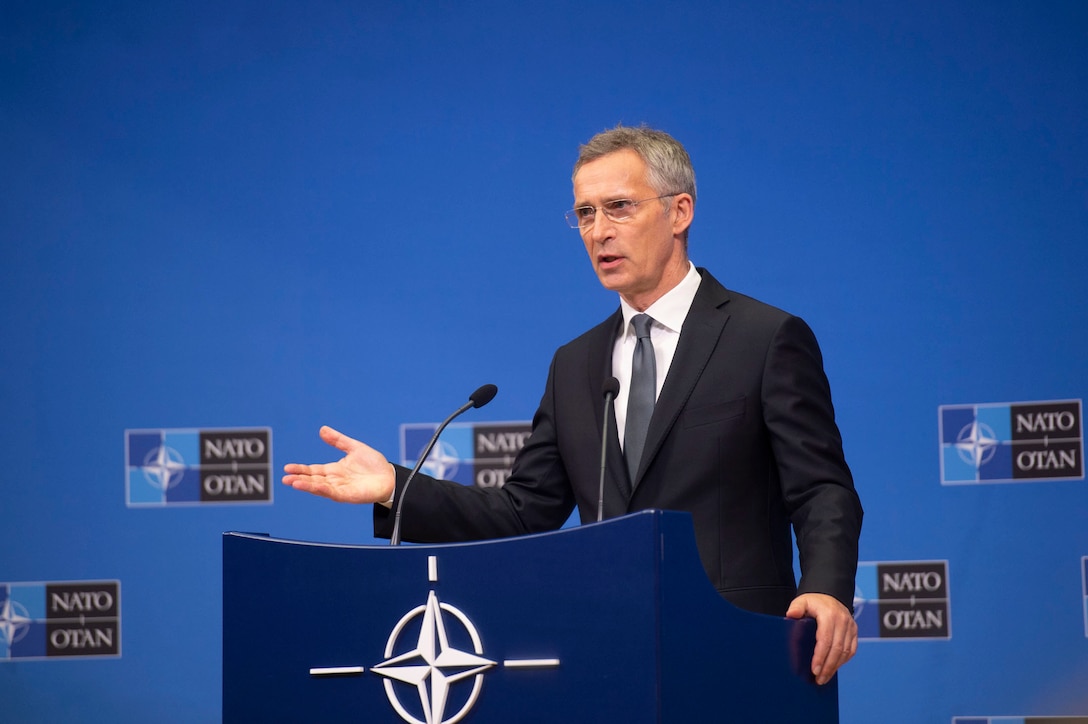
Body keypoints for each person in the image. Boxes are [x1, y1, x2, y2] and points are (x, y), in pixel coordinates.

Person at [283, 125, 863, 686]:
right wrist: (394, 485)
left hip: (735, 650)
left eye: (619, 208)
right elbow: (523, 512)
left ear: (679, 212)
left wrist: (828, 588)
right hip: (609, 652)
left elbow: (820, 488)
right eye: (585, 213)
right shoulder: (576, 364)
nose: (598, 232)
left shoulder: (763, 337)